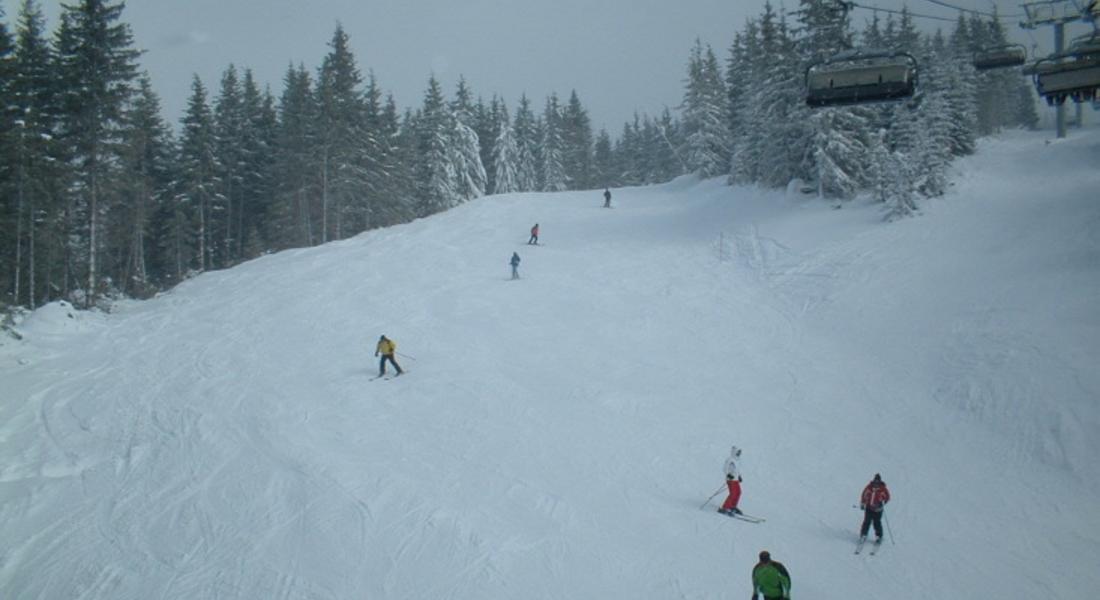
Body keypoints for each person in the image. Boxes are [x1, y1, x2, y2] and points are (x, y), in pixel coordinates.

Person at [859, 473, 891, 543]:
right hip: (869, 508)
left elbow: (887, 497)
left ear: (879, 482)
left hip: (878, 510)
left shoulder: (883, 489)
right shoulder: (869, 487)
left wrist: (883, 502)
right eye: (875, 481)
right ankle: (863, 535)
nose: (876, 483)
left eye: (877, 482)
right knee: (866, 522)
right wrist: (862, 503)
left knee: (877, 523)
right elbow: (864, 494)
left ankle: (879, 536)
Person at [717, 445, 743, 516]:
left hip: (736, 479)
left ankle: (732, 506)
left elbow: (737, 470)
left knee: (738, 492)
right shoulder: (730, 459)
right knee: (733, 493)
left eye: (739, 452)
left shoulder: (738, 460)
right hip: (731, 480)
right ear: (734, 452)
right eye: (738, 452)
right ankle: (724, 508)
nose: (739, 454)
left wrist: (739, 476)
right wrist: (728, 474)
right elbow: (725, 468)